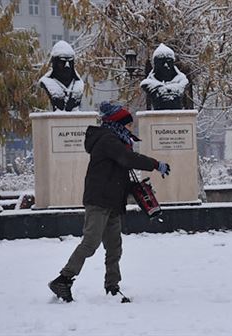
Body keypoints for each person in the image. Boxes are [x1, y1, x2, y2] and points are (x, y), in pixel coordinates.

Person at [48, 101, 171, 302]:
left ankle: (112, 286)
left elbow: (118, 172)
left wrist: (135, 190)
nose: (131, 128)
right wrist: (156, 165)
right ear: (118, 123)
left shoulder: (117, 141)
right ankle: (63, 279)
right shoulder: (108, 140)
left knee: (114, 247)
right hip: (98, 200)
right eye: (129, 124)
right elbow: (127, 159)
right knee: (90, 243)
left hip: (113, 202)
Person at [140, 43, 189, 110]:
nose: (166, 65)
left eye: (168, 62)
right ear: (156, 65)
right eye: (161, 62)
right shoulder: (148, 84)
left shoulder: (182, 81)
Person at [39, 40, 84, 111]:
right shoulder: (46, 82)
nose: (67, 66)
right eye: (62, 62)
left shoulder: (79, 84)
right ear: (55, 64)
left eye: (70, 62)